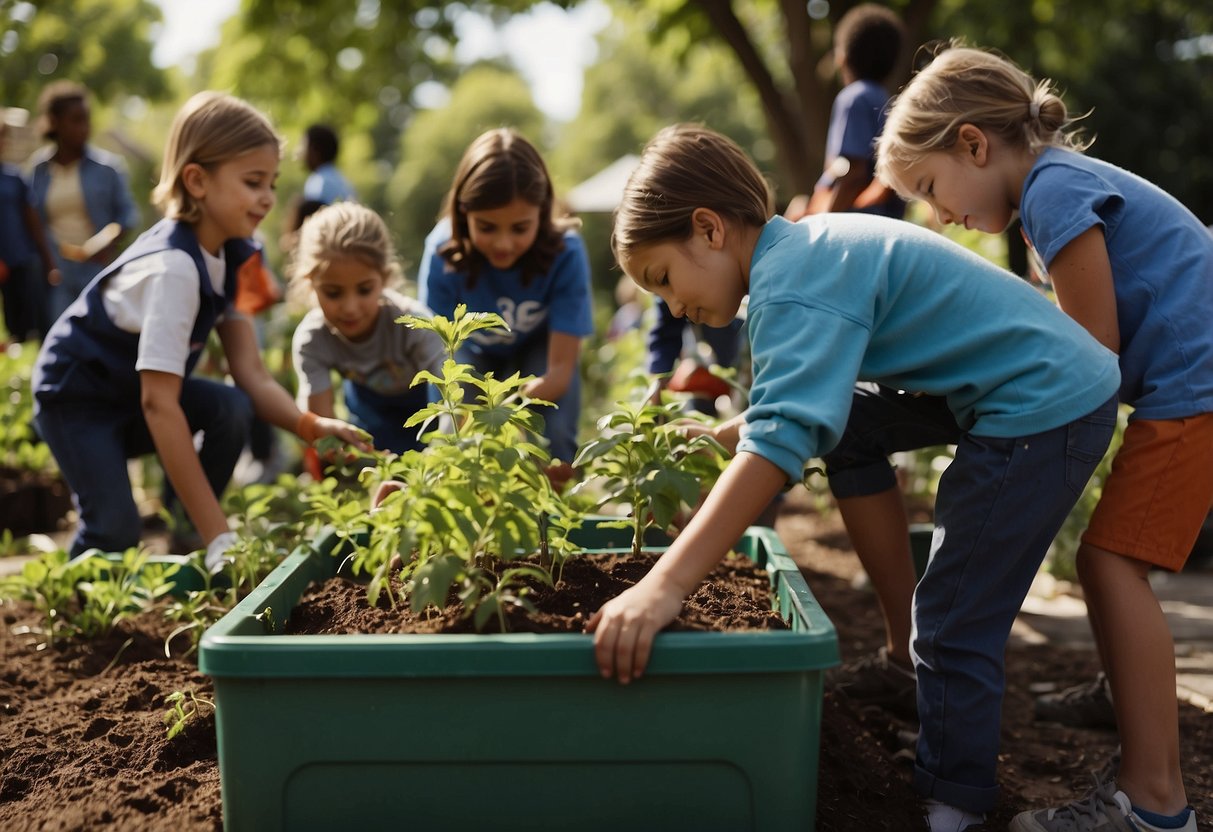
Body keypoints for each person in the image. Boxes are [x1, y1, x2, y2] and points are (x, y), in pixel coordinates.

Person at [585, 124, 1121, 832]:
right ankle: (907, 662)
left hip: (1038, 405)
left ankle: (952, 803)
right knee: (849, 433)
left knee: (955, 613)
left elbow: (779, 448)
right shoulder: (803, 250)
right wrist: (730, 432)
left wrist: (665, 585)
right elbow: (806, 405)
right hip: (1014, 384)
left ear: (708, 229)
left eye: (662, 280)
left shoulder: (788, 286)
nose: (672, 306)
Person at [873, 45, 1211, 832]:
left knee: (1107, 561)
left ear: (971, 144)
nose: (938, 214)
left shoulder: (1053, 192)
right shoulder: (1052, 189)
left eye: (928, 188)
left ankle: (1154, 806)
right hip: (1187, 388)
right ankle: (1131, 694)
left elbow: (1085, 347)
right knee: (1111, 560)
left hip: (1195, 390)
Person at [31, 91, 370, 571]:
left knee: (231, 406)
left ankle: (187, 533)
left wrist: (311, 427)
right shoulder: (175, 269)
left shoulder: (232, 255)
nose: (269, 198)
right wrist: (224, 535)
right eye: (253, 182)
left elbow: (249, 374)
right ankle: (63, 605)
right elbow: (158, 403)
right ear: (197, 180)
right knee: (116, 532)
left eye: (272, 182)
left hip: (128, 397)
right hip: (78, 400)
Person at [418, 127, 593, 473]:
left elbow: (559, 371)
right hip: (469, 353)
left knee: (554, 438)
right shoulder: (442, 252)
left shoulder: (565, 252)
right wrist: (473, 421)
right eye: (486, 227)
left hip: (539, 354)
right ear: (462, 212)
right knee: (455, 437)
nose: (503, 244)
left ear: (541, 214)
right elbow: (438, 354)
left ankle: (553, 513)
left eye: (519, 228)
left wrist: (508, 413)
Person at [291, 201, 444, 455]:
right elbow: (319, 421)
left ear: (384, 278)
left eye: (364, 290)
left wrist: (440, 456)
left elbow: (452, 395)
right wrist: (343, 455)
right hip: (370, 417)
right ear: (310, 283)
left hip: (427, 411)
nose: (350, 308)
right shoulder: (313, 339)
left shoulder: (412, 323)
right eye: (333, 293)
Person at [28, 80, 140, 331]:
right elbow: (33, 221)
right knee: (60, 336)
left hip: (96, 268)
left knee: (97, 337)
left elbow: (128, 215)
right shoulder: (39, 171)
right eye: (76, 120)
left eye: (87, 119)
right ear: (55, 122)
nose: (85, 127)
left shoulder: (108, 168)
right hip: (56, 270)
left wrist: (108, 240)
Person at [784, 3, 906, 221]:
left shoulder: (854, 98)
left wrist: (822, 221)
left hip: (856, 224)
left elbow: (853, 172)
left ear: (842, 59)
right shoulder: (885, 100)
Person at [0, 117, 57, 342]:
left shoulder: (14, 178)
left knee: (24, 324)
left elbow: (33, 221)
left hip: (20, 258)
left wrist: (47, 260)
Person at [301, 123, 355, 207]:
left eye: (303, 146)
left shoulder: (318, 183)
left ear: (315, 150)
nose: (299, 152)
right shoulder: (343, 181)